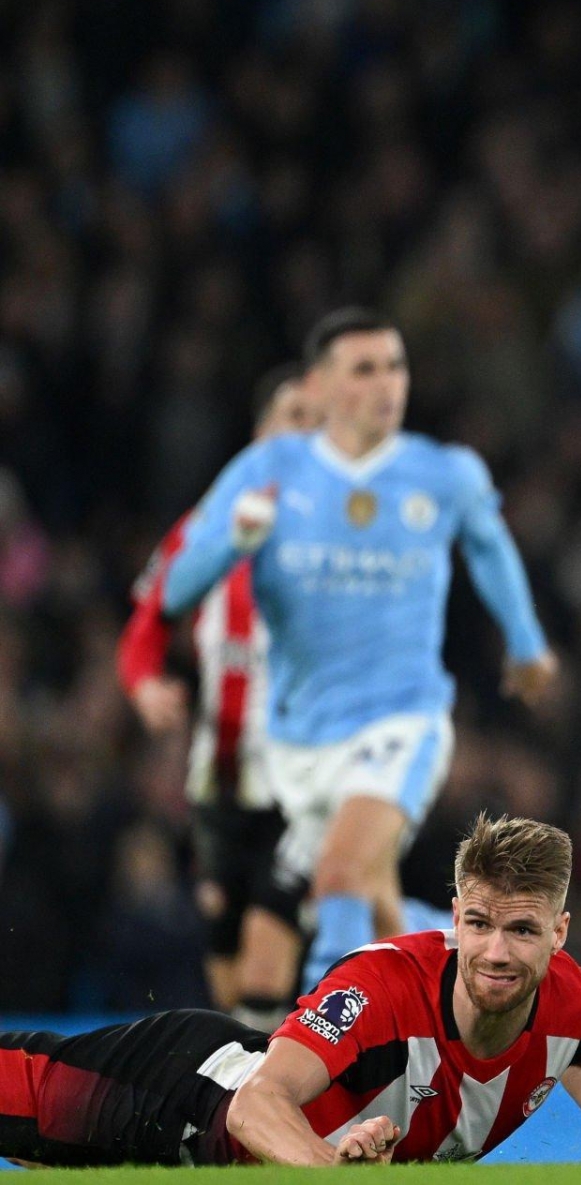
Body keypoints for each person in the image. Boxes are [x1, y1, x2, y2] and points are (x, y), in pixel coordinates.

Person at [162, 308, 558, 993]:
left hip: (403, 721)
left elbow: (489, 547)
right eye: (365, 368)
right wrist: (236, 539)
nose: (387, 383)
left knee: (338, 877)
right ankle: (452, 951)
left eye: (395, 365)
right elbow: (176, 586)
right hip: (298, 741)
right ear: (319, 386)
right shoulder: (267, 470)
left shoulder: (442, 473)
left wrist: (526, 645)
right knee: (363, 898)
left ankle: (339, 1058)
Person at [0, 814, 581, 1166]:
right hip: (179, 1094)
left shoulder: (570, 1001)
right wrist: (332, 1172)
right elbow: (254, 1107)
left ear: (560, 934)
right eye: (479, 924)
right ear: (455, 918)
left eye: (521, 930)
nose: (494, 951)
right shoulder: (383, 988)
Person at [118, 367, 319, 1030]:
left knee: (267, 965)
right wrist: (145, 684)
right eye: (295, 415)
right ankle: (261, 1098)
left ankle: (272, 1108)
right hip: (222, 780)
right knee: (232, 973)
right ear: (262, 434)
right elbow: (146, 623)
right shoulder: (209, 529)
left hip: (307, 778)